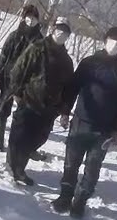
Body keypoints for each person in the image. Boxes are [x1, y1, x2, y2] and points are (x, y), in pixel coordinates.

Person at [54, 26, 117, 219]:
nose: (115, 44)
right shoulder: (89, 63)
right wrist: (65, 111)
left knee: (92, 168)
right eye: (112, 39)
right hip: (80, 122)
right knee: (70, 164)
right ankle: (65, 197)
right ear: (105, 40)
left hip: (104, 132)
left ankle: (80, 201)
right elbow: (72, 88)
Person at [5, 17, 75, 185]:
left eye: (65, 31)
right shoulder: (37, 48)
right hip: (29, 100)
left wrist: (64, 109)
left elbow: (69, 88)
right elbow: (18, 70)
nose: (61, 33)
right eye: (59, 29)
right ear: (52, 29)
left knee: (38, 138)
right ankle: (14, 170)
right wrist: (16, 92)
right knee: (19, 137)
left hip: (50, 108)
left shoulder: (66, 60)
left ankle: (19, 167)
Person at [0, 2, 44, 151]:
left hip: (28, 84)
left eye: (34, 18)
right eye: (28, 17)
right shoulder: (14, 36)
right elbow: (3, 58)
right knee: (2, 111)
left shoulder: (40, 41)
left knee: (23, 116)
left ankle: (18, 145)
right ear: (23, 18)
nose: (31, 20)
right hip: (9, 79)